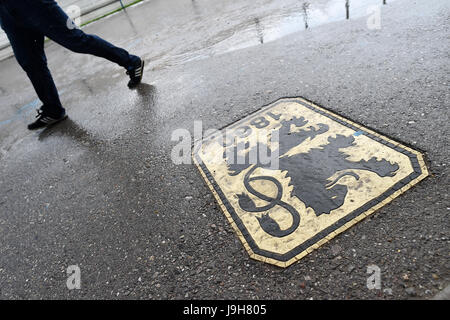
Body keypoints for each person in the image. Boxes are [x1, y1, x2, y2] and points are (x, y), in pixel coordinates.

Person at [0, 0, 145, 130]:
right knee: (29, 61)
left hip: (34, 5)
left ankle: (131, 62)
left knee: (76, 41)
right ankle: (53, 109)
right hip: (6, 13)